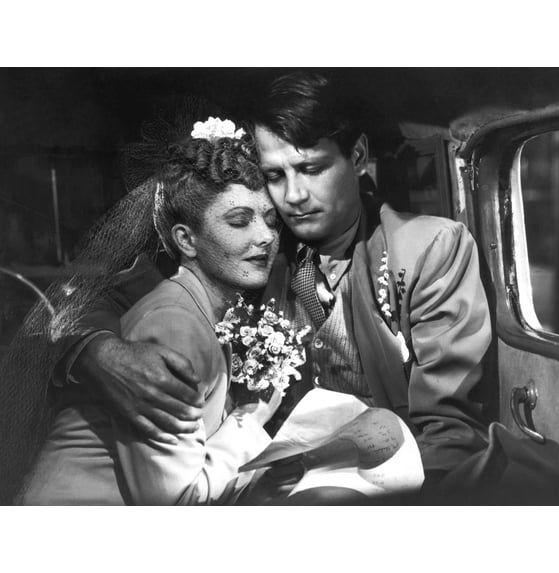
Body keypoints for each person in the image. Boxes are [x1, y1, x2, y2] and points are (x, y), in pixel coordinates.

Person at [55, 71, 492, 493]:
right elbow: (91, 305)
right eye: (276, 176)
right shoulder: (245, 251)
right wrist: (99, 353)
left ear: (358, 156)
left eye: (311, 168)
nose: (294, 196)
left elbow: (450, 435)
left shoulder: (428, 248)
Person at [20, 116, 283, 504]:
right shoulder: (173, 323)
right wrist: (250, 419)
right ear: (185, 240)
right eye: (239, 221)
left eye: (271, 221)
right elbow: (175, 503)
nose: (265, 236)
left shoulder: (203, 306)